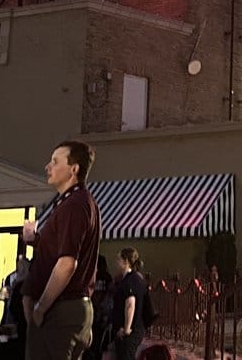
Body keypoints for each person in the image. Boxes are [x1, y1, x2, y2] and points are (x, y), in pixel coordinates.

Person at [21, 141, 101, 360]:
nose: (48, 166)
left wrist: (41, 308)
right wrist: (35, 240)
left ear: (73, 169)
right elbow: (60, 249)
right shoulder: (75, 202)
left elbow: (67, 263)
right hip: (69, 310)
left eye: (55, 162)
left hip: (61, 311)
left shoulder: (74, 205)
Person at [108, 250, 150, 360]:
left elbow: (130, 304)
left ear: (126, 261)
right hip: (133, 330)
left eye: (119, 259)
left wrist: (126, 329)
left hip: (129, 333)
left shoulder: (130, 280)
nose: (117, 262)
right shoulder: (136, 278)